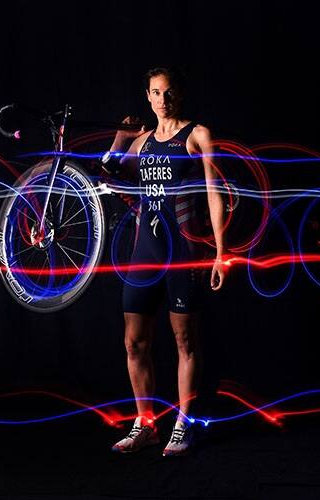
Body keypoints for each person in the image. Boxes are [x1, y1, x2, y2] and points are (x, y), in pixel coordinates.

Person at [101, 67, 227, 456]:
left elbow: (213, 192)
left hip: (182, 255)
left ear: (179, 95)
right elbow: (108, 173)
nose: (163, 100)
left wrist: (221, 253)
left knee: (184, 341)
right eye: (156, 93)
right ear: (149, 97)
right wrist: (121, 138)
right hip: (145, 254)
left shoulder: (197, 135)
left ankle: (183, 424)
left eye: (169, 92)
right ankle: (146, 425)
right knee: (134, 342)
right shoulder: (141, 143)